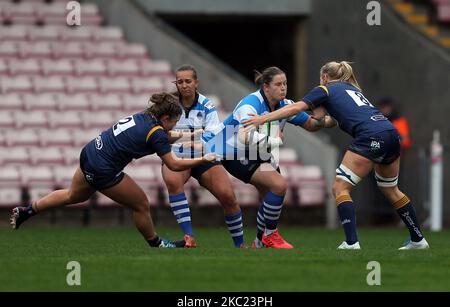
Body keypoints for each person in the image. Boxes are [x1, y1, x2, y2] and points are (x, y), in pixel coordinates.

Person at [243, 61, 429, 250]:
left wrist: (263, 118)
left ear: (324, 76)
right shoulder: (351, 89)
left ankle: (351, 243)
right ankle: (418, 240)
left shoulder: (324, 89)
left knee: (340, 187)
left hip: (371, 137)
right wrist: (321, 118)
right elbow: (329, 118)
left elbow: (296, 108)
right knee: (391, 190)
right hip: (391, 133)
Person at [10, 92, 217, 249]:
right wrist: (202, 159)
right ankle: (158, 244)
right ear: (165, 119)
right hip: (103, 168)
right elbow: (173, 164)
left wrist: (192, 135)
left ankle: (27, 211)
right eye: (173, 121)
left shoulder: (145, 117)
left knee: (72, 194)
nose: (174, 125)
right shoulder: (156, 133)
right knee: (141, 204)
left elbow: (163, 137)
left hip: (90, 152)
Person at [206, 66, 333, 249]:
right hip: (234, 152)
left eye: (285, 84)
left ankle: (259, 242)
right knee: (279, 185)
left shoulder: (285, 105)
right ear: (266, 87)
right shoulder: (249, 105)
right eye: (278, 84)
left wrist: (329, 120)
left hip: (262, 153)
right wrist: (275, 140)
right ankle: (270, 235)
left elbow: (311, 124)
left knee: (270, 195)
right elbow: (245, 136)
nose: (283, 88)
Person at [163, 64, 244, 248]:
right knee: (173, 183)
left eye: (188, 81)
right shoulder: (169, 105)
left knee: (228, 196)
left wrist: (197, 142)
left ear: (196, 83)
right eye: (180, 82)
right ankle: (189, 238)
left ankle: (240, 245)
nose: (184, 85)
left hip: (204, 155)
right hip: (177, 155)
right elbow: (161, 132)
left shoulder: (207, 104)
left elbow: (215, 133)